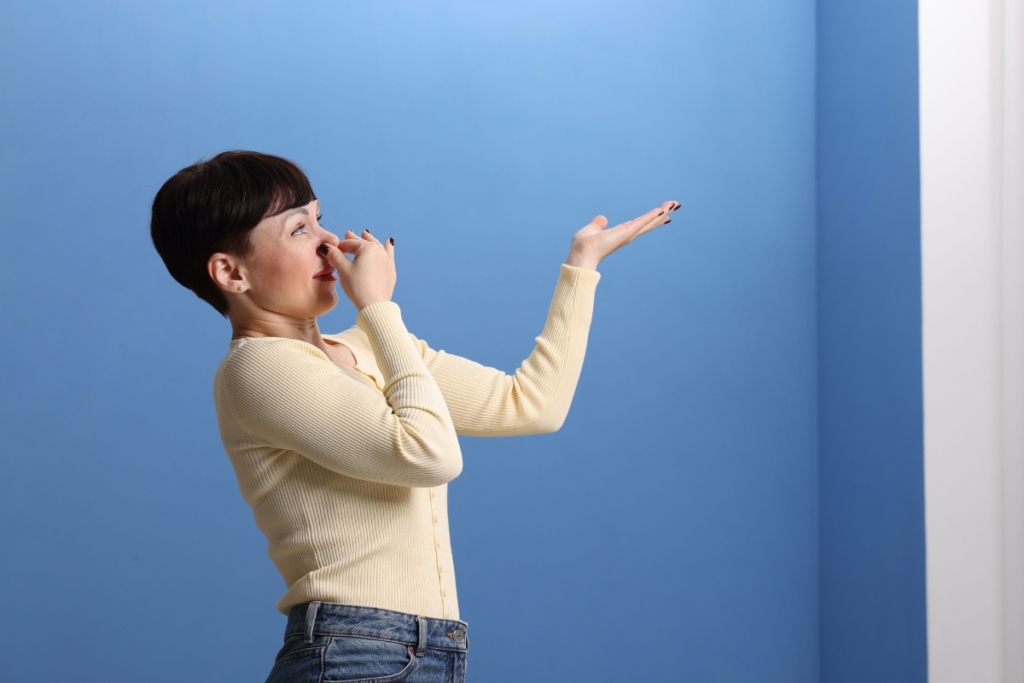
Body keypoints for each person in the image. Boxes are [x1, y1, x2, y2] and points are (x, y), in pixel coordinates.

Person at [150, 150, 677, 683]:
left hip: (421, 650)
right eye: (297, 229)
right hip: (356, 654)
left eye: (320, 217)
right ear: (230, 272)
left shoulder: (372, 348)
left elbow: (533, 405)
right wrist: (378, 308)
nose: (329, 241)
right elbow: (430, 455)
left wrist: (582, 265)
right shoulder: (258, 370)